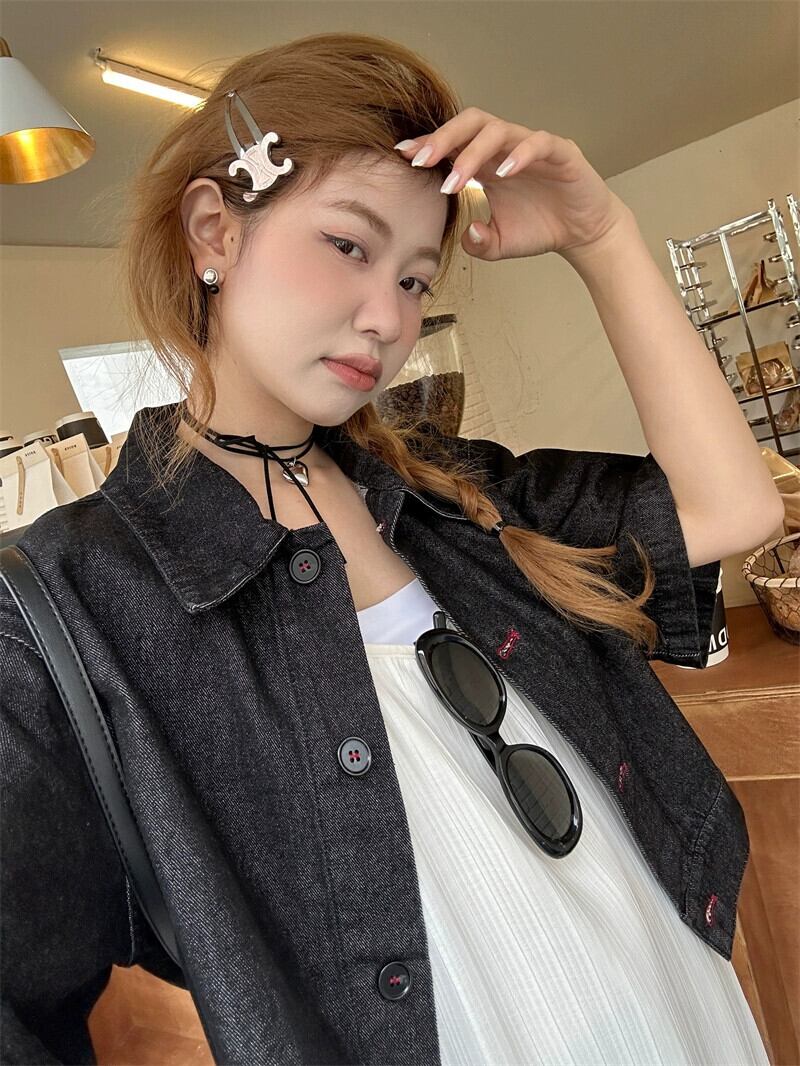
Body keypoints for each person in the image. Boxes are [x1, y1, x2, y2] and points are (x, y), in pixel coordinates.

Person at [0, 31, 781, 1066]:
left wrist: (601, 234)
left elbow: (731, 508)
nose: (387, 318)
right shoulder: (71, 606)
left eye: (416, 280)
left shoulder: (447, 494)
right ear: (213, 231)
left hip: (681, 1005)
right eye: (348, 245)